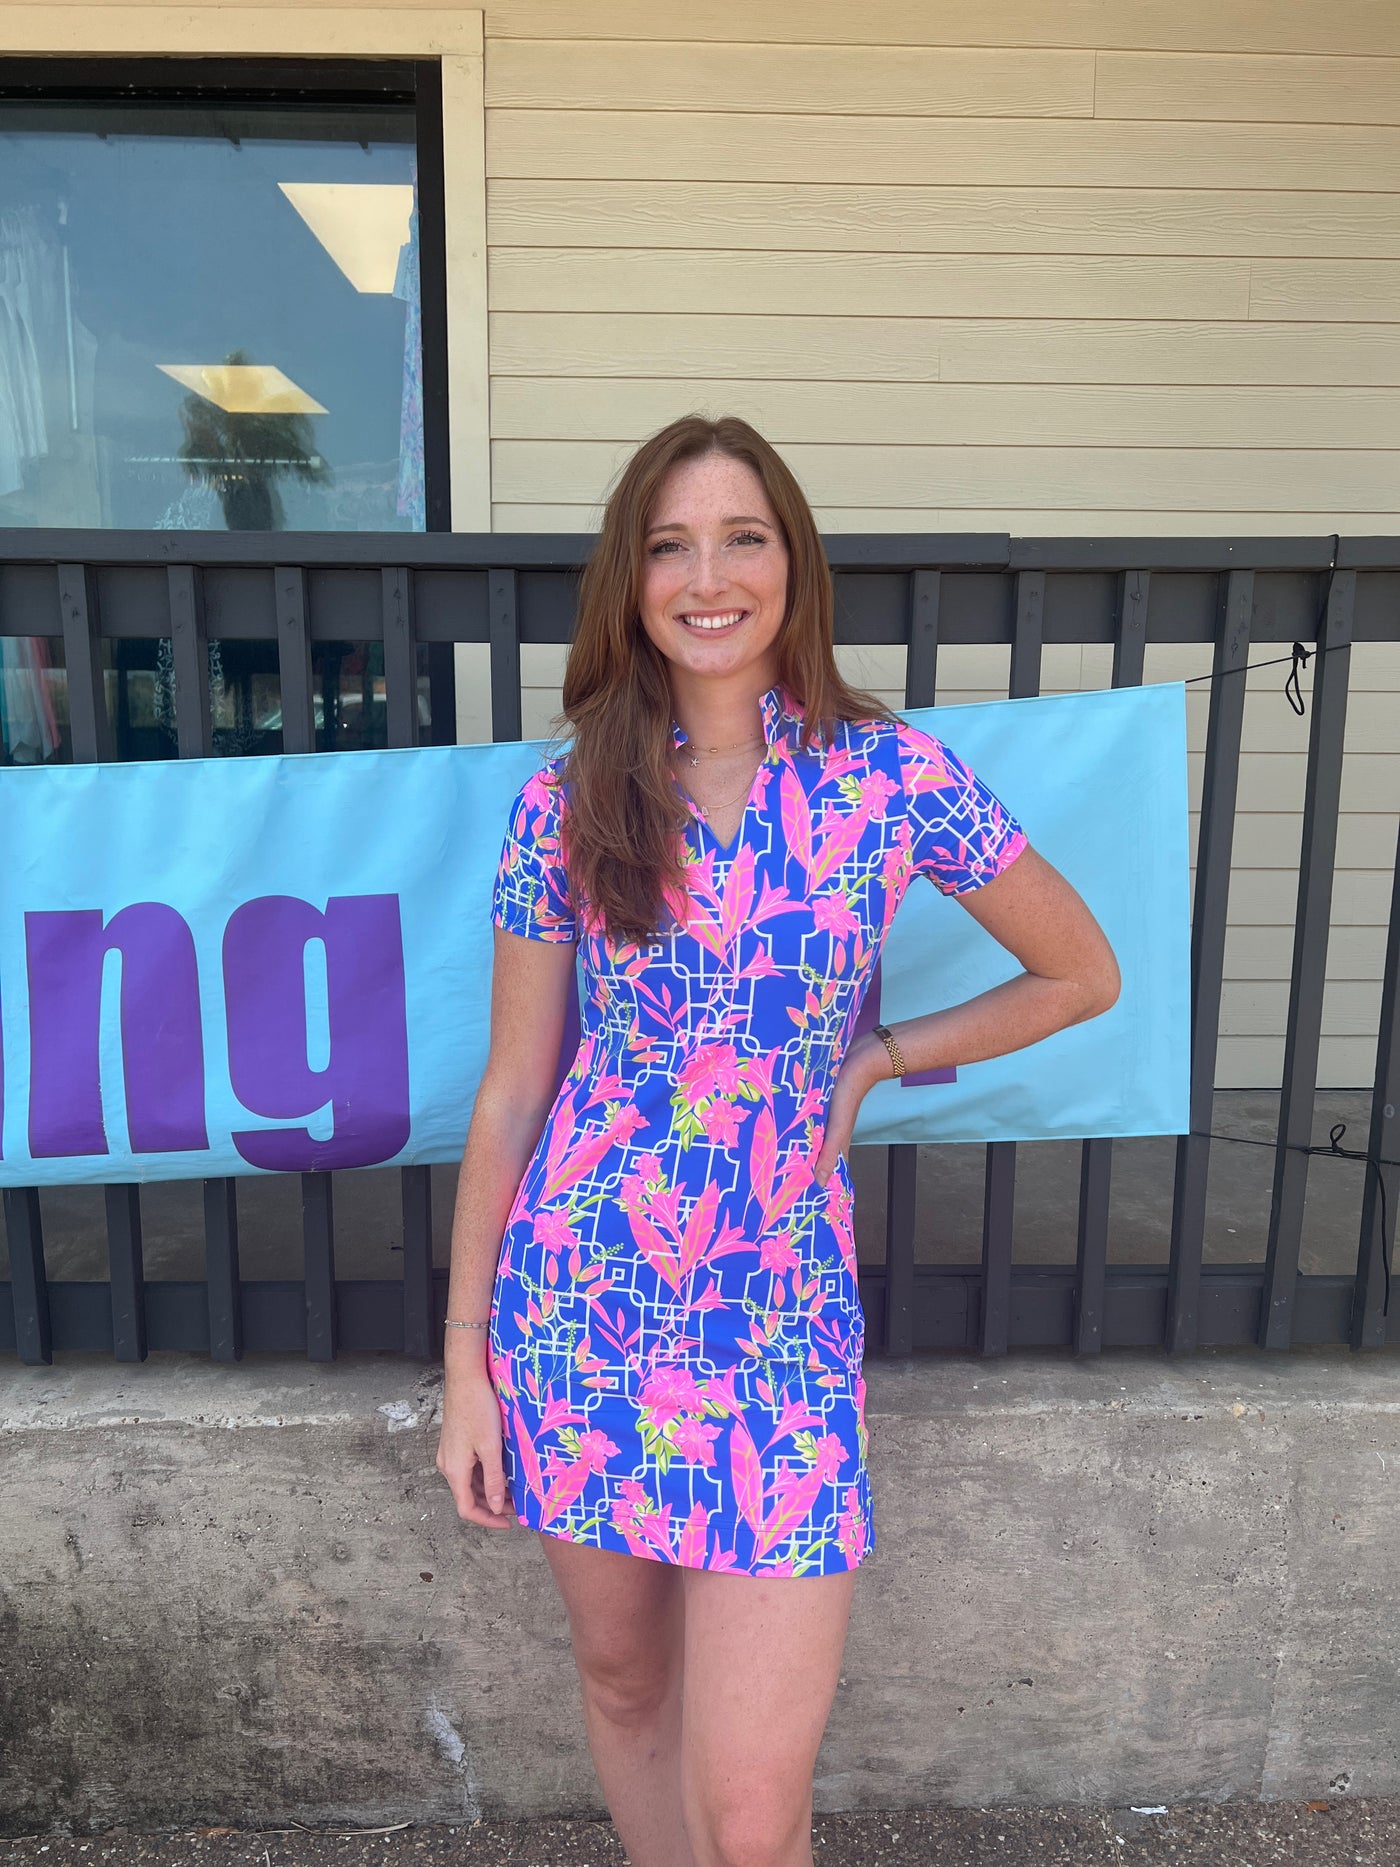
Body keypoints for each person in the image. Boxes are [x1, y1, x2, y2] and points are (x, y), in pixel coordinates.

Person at [435, 414, 1120, 1867]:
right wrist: (464, 1372)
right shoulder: (565, 799)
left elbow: (1082, 971)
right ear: (631, 580)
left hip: (778, 1318)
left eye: (742, 536)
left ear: (792, 565)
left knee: (753, 1811)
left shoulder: (891, 777)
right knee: (624, 1685)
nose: (708, 576)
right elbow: (510, 1092)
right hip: (580, 1308)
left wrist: (878, 1058)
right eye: (670, 544)